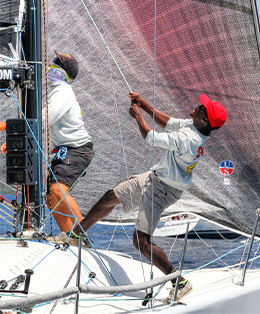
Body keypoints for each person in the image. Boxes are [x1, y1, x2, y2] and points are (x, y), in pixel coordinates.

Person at [73, 92, 227, 302]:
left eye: (202, 107)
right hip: (155, 178)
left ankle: (178, 281)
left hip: (162, 190)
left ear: (204, 119)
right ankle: (76, 235)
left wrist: (138, 116)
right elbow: (169, 122)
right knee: (112, 195)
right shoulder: (195, 126)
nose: (198, 105)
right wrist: (143, 104)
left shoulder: (190, 139)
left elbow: (151, 137)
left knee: (141, 241)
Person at [45, 50, 94, 236]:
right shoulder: (59, 90)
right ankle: (71, 237)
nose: (52, 62)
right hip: (65, 150)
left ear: (61, 70)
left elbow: (43, 119)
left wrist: (5, 127)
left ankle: (82, 236)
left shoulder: (62, 91)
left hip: (76, 149)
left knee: (58, 190)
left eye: (56, 61)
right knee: (51, 197)